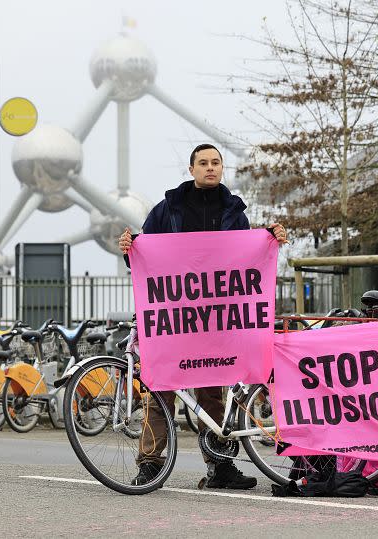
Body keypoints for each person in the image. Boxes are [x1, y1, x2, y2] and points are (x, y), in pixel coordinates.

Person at [118, 143, 288, 489]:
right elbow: (146, 258)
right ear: (192, 169)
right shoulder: (168, 210)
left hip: (215, 318)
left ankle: (220, 466)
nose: (210, 168)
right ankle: (150, 465)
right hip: (174, 319)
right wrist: (129, 249)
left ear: (222, 169)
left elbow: (247, 260)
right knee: (160, 390)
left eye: (216, 162)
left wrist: (271, 240)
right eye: (203, 163)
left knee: (212, 393)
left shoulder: (235, 214)